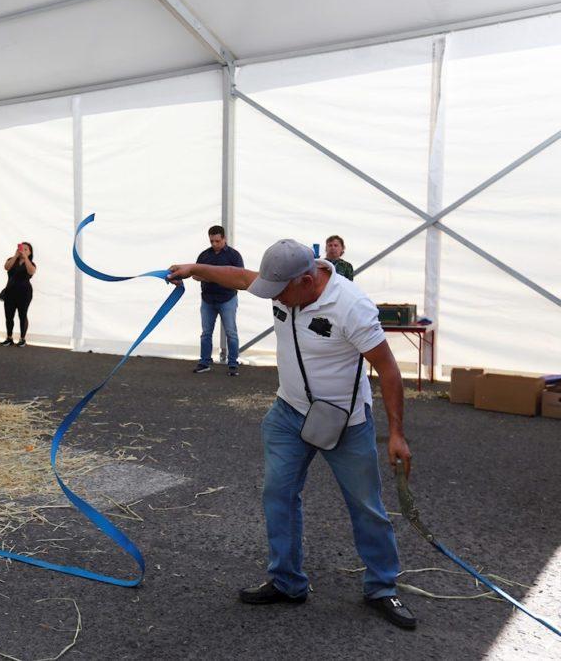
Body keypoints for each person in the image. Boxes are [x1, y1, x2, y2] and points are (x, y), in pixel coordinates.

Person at [167, 239, 416, 630]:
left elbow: (387, 369)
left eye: (280, 290)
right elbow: (239, 277)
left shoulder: (351, 305)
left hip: (345, 421)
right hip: (289, 413)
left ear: (306, 279)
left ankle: (382, 587)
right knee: (278, 494)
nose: (274, 298)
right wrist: (193, 268)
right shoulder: (283, 285)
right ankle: (287, 582)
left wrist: (397, 433)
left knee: (366, 505)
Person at [194, 225, 244, 376]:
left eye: (217, 241)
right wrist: (214, 278)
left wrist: (211, 277)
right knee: (206, 333)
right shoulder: (204, 256)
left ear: (224, 239)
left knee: (231, 333)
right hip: (208, 299)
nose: (214, 244)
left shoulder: (234, 256)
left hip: (227, 299)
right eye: (211, 241)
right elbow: (195, 274)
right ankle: (204, 362)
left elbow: (240, 276)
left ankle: (233, 363)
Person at [0, 242, 36, 346]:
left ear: (30, 252)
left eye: (26, 249)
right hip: (10, 291)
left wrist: (25, 258)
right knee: (9, 315)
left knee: (22, 315)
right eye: (21, 248)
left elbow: (31, 272)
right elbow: (6, 267)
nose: (23, 251)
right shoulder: (12, 260)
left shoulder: (31, 263)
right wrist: (16, 256)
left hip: (24, 292)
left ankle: (22, 338)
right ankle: (9, 337)